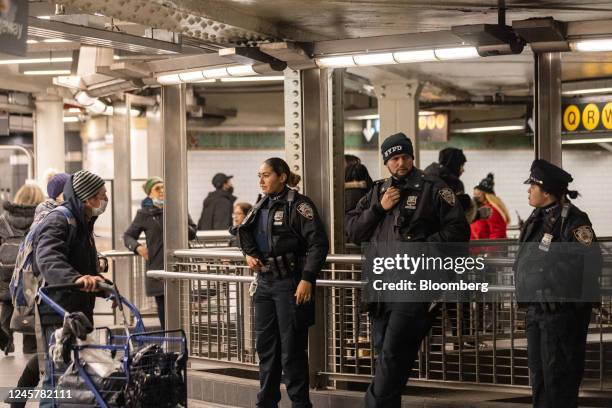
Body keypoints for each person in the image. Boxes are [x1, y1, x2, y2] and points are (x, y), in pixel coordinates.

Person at [346, 133, 470, 408]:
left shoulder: (434, 188)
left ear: (413, 157)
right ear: (386, 162)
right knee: (387, 355)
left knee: (392, 354)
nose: (400, 163)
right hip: (381, 287)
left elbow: (459, 231)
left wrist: (422, 248)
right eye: (394, 158)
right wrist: (378, 209)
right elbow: (353, 230)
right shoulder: (378, 191)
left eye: (405, 157)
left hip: (415, 285)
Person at [236, 157, 329, 408]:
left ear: (282, 176)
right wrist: (249, 254)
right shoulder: (261, 204)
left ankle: (300, 404)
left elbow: (318, 244)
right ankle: (266, 402)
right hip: (265, 283)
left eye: (266, 175)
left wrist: (308, 278)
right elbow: (242, 233)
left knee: (292, 350)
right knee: (266, 348)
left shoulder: (298, 205)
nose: (261, 180)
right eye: (259, 175)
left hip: (291, 283)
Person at [514, 159, 601, 408]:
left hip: (561, 312)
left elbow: (590, 262)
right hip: (536, 310)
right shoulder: (537, 217)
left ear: (547, 191)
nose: (528, 190)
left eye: (533, 186)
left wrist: (550, 284)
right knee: (539, 377)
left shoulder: (573, 220)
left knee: (559, 376)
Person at [34, 170, 109, 407]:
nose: (105, 200)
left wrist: (106, 288)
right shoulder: (60, 219)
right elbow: (47, 258)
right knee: (58, 376)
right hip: (58, 309)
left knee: (65, 373)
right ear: (87, 198)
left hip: (74, 310)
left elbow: (84, 268)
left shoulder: (83, 221)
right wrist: (75, 279)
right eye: (102, 195)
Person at [7, 173, 69, 408]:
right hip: (46, 295)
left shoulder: (36, 217)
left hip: (26, 291)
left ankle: (16, 401)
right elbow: (49, 260)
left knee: (43, 355)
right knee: (48, 359)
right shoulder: (54, 219)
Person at [123, 177, 197, 329]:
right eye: (157, 188)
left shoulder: (178, 208)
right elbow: (128, 236)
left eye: (164, 187)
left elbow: (192, 233)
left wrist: (176, 218)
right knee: (164, 314)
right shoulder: (144, 214)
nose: (162, 191)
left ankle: (183, 346)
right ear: (150, 194)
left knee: (183, 311)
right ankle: (169, 345)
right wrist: (138, 247)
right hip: (158, 268)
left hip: (180, 267)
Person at [0, 183, 44, 356]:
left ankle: (6, 342)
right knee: (30, 304)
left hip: (6, 270)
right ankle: (30, 345)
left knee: (7, 302)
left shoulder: (4, 220)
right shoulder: (41, 218)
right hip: (29, 271)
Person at [470, 173, 510, 239]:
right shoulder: (479, 209)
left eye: (478, 194)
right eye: (474, 194)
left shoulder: (491, 210)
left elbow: (497, 234)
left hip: (484, 248)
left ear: (485, 195)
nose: (475, 196)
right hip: (476, 247)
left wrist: (488, 249)